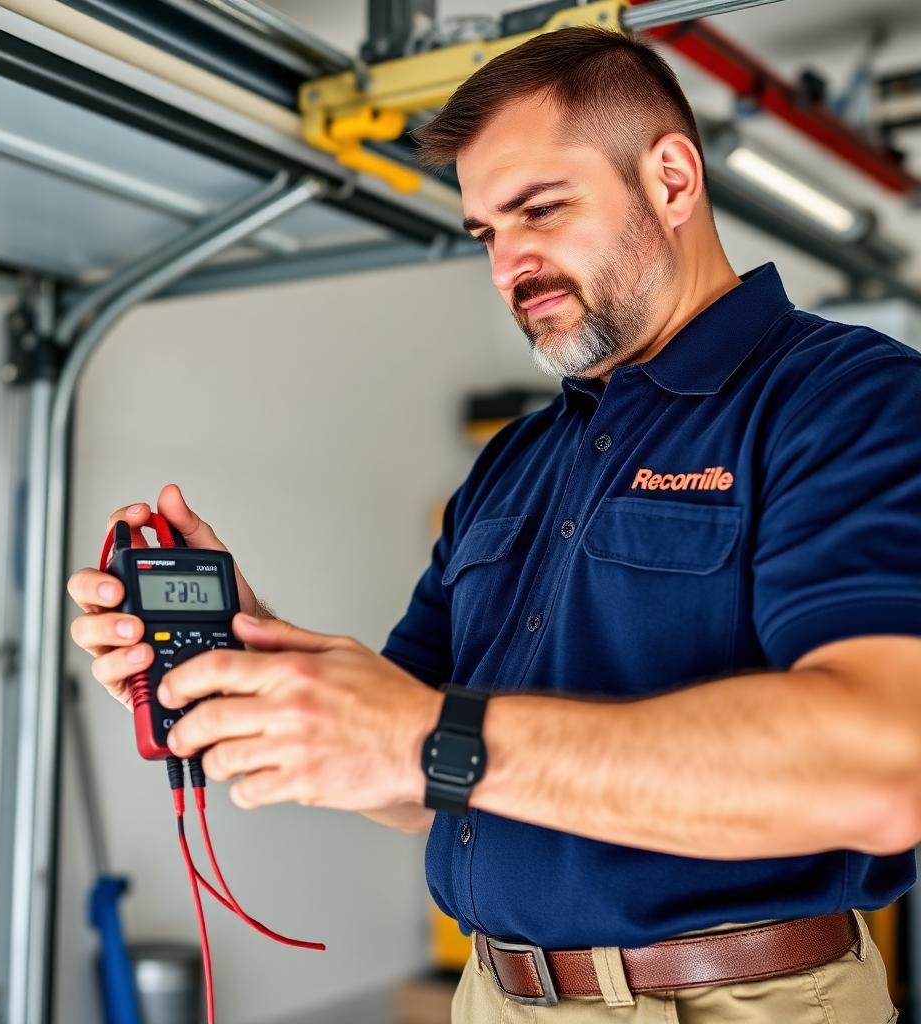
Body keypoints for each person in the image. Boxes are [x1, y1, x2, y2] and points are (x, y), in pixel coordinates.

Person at [68, 26, 921, 1023]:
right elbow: (419, 773)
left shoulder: (849, 401)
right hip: (494, 996)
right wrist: (263, 656)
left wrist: (426, 733)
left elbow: (883, 763)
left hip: (735, 1002)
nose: (508, 267)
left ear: (674, 179)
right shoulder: (512, 464)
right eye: (485, 233)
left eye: (541, 212)